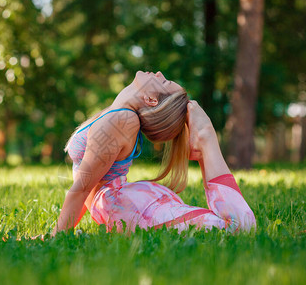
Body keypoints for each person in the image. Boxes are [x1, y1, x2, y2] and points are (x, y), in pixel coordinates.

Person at [54, 71, 256, 235]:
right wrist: (64, 231)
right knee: (236, 227)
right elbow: (85, 188)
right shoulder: (119, 116)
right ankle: (204, 142)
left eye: (164, 81)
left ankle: (206, 139)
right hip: (125, 207)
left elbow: (81, 189)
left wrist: (56, 235)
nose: (159, 74)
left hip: (132, 207)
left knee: (239, 226)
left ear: (150, 99)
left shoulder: (122, 121)